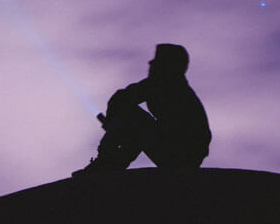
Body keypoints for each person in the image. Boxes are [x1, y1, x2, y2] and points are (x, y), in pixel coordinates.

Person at [73, 43, 211, 176]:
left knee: (130, 116)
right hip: (180, 153)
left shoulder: (166, 85)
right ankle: (110, 164)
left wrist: (113, 126)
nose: (150, 65)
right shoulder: (170, 86)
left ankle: (106, 162)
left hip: (181, 156)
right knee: (134, 126)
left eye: (157, 62)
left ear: (167, 66)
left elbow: (121, 99)